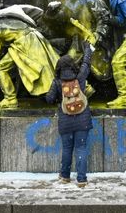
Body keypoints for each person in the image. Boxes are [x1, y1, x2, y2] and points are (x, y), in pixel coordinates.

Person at [0, 5, 60, 108]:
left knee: (1, 68)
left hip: (23, 43)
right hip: (34, 36)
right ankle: (80, 87)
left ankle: (10, 99)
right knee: (50, 64)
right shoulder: (9, 20)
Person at [45, 42, 94, 188]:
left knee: (67, 149)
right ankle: (81, 179)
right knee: (81, 148)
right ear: (73, 66)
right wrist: (87, 49)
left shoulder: (57, 82)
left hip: (66, 120)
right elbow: (86, 63)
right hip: (83, 119)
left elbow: (49, 99)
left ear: (59, 67)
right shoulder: (80, 78)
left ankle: (65, 176)